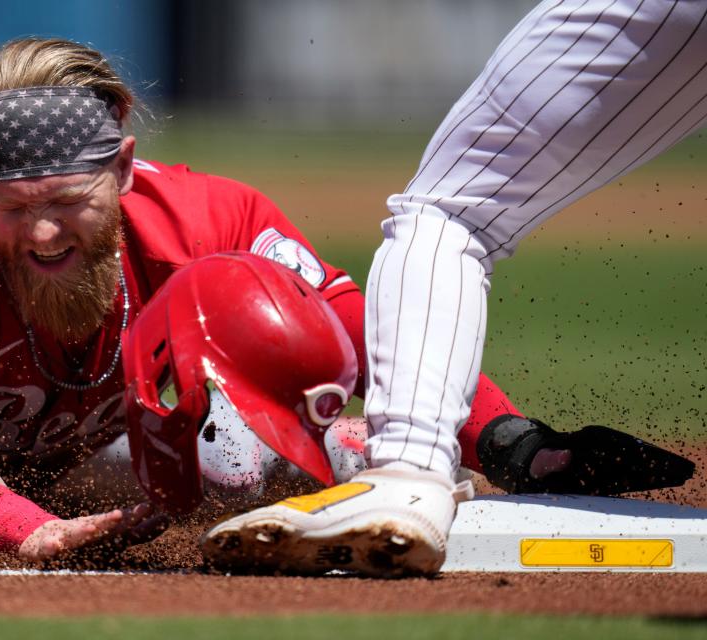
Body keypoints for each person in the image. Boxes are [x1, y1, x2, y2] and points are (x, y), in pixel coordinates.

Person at [0, 36, 543, 564]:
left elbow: (359, 336)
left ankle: (362, 457)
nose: (45, 233)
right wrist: (29, 530)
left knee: (235, 468)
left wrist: (507, 437)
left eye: (67, 200)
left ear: (124, 168)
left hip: (61, 440)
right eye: (13, 208)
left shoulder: (213, 219)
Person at [203, 0, 706, 577]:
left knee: (447, 213)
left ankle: (406, 478)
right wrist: (515, 447)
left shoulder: (195, 212)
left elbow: (335, 323)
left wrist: (507, 444)